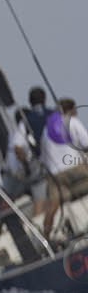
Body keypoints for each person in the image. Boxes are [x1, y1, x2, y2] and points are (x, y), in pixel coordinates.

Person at [37, 98, 88, 237]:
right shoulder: (73, 121)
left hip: (55, 176)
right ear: (71, 110)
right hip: (75, 168)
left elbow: (43, 158)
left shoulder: (46, 130)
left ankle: (45, 237)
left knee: (53, 205)